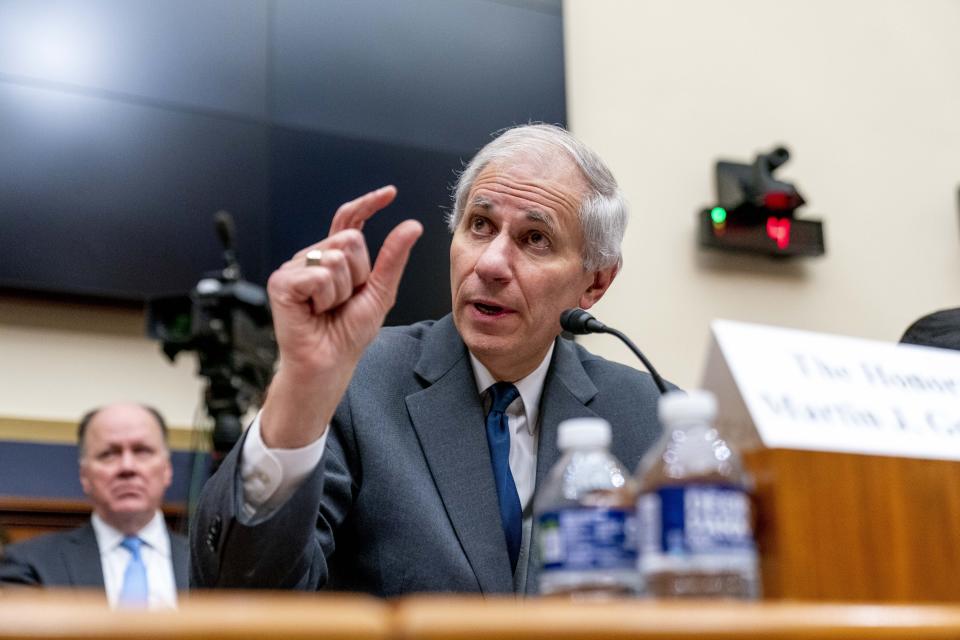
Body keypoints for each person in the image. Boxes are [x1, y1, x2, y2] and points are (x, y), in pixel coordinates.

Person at [191, 124, 665, 595]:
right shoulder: (357, 380)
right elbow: (244, 593)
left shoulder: (650, 418)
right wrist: (300, 389)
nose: (490, 265)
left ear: (595, 283)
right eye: (480, 226)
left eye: (534, 238)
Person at [0, 403, 189, 607]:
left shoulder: (211, 563)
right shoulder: (30, 563)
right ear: (84, 475)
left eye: (142, 451)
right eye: (109, 454)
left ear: (167, 469)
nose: (127, 467)